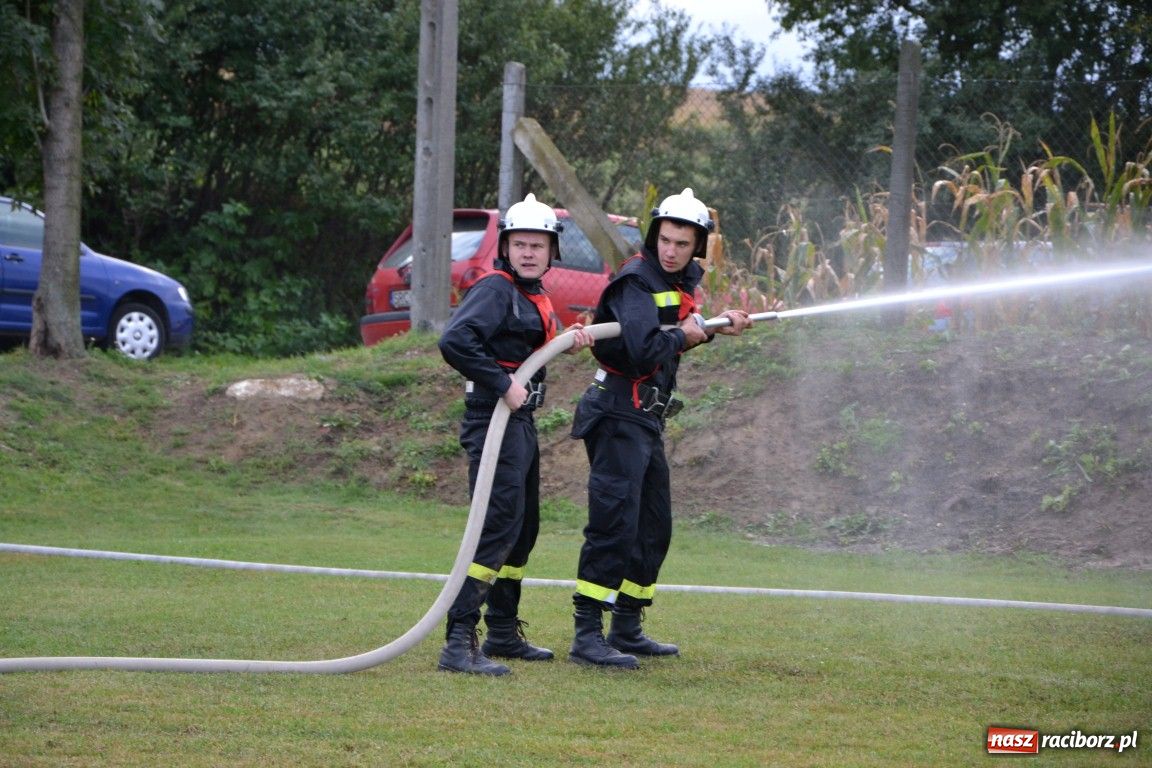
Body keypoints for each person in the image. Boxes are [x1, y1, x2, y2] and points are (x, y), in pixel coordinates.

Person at [567, 188, 751, 669]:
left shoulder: (681, 280)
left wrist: (710, 327)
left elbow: (672, 340)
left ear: (697, 247)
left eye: (682, 244)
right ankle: (588, 634)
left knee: (653, 528)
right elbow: (645, 347)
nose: (671, 251)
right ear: (654, 237)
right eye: (665, 241)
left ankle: (627, 626)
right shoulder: (636, 281)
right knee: (614, 523)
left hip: (646, 420)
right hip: (616, 415)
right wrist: (688, 333)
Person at [437, 193, 594, 675]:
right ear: (506, 247)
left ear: (552, 252)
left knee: (522, 531)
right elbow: (454, 340)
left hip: (519, 424)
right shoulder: (495, 288)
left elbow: (529, 346)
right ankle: (458, 641)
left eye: (538, 245)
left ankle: (503, 632)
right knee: (497, 527)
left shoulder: (531, 295)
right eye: (520, 244)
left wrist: (569, 342)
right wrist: (503, 383)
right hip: (493, 421)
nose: (529, 252)